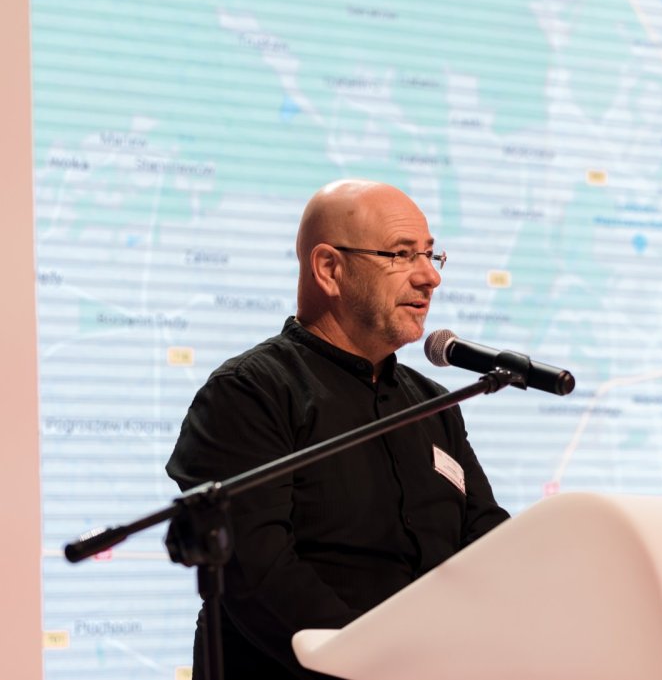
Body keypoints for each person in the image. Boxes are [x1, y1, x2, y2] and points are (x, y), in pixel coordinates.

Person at [166, 179, 509, 679]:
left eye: (432, 255)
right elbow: (262, 577)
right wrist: (377, 667)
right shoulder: (249, 393)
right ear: (329, 269)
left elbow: (485, 541)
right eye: (401, 254)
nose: (429, 277)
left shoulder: (435, 404)